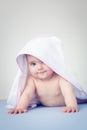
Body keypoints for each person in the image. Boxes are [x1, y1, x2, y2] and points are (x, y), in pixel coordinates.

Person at [7, 36, 87, 114]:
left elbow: (68, 92)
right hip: (43, 105)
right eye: (33, 64)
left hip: (66, 102)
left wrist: (71, 106)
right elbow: (27, 94)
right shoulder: (32, 80)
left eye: (43, 62)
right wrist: (20, 107)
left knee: (82, 99)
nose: (39, 67)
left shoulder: (60, 78)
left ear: (52, 62)